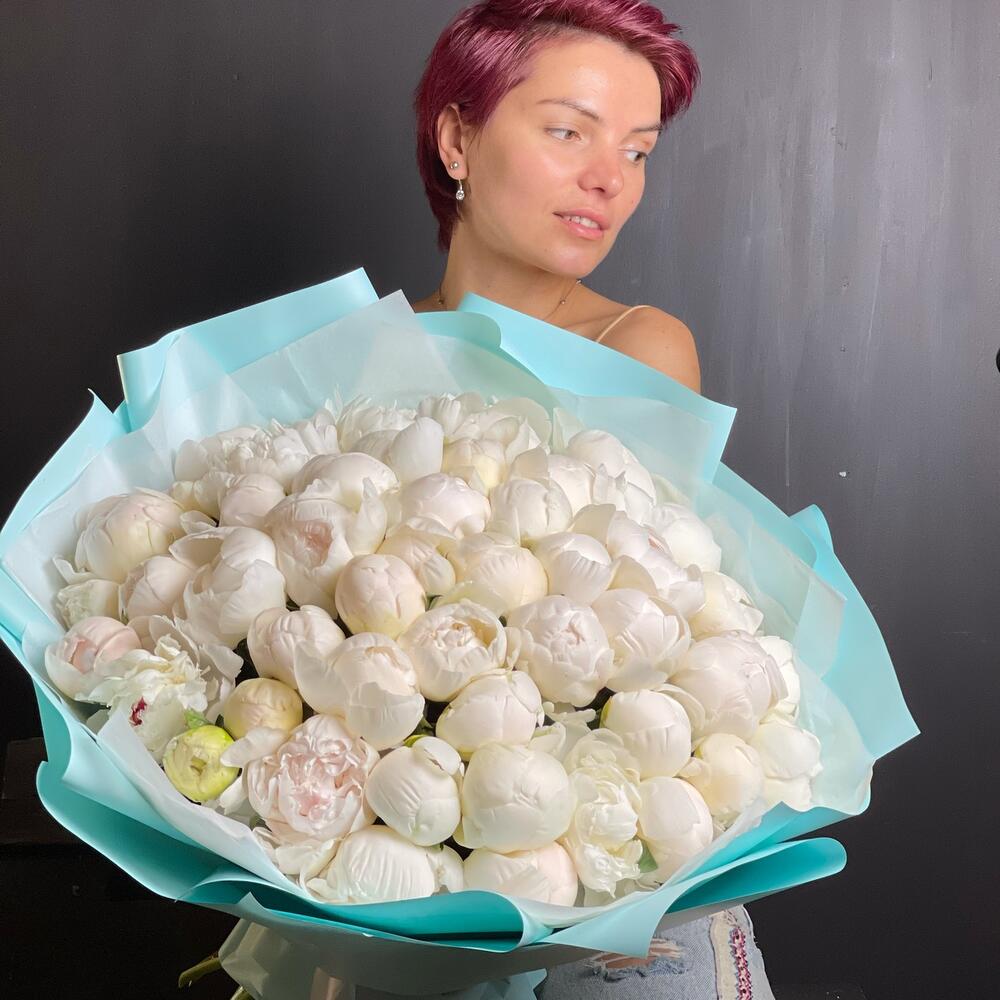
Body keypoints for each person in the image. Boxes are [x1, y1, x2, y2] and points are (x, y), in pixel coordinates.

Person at [409, 3, 776, 998]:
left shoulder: (639, 348)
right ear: (457, 139)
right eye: (570, 132)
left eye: (637, 150)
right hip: (403, 885)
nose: (610, 179)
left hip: (620, 912)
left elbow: (653, 650)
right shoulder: (356, 356)